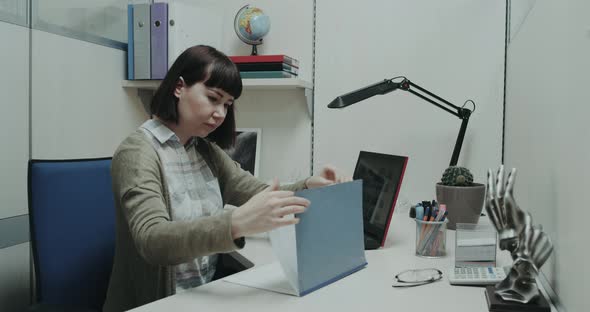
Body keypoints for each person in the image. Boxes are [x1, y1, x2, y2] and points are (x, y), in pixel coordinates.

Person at [103, 45, 348, 312]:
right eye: (212, 98)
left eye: (227, 104)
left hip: (205, 295)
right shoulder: (138, 153)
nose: (220, 113)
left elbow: (256, 191)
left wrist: (308, 184)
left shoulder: (204, 150)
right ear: (179, 87)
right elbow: (152, 240)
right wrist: (235, 224)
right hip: (160, 303)